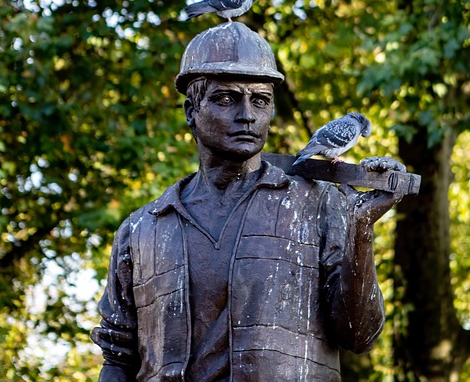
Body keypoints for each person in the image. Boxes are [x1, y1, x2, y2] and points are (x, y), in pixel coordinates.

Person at [91, 22, 404, 381]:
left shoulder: (319, 205)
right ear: (191, 111)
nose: (247, 115)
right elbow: (117, 357)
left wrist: (360, 228)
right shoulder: (141, 230)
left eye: (260, 100)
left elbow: (359, 334)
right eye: (226, 99)